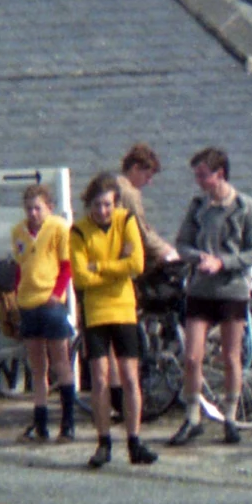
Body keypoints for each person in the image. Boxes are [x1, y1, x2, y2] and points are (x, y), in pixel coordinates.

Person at [171, 147, 252, 443]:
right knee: (192, 356)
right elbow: (182, 243)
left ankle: (230, 416)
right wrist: (198, 257)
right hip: (200, 289)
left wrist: (223, 262)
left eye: (203, 175)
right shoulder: (198, 205)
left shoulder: (245, 207)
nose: (198, 181)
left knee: (230, 355)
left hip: (231, 290)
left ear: (219, 174)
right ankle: (192, 416)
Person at [67, 171, 158, 469]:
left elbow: (137, 264)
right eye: (97, 205)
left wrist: (101, 266)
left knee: (130, 377)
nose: (102, 211)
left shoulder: (126, 221)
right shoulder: (79, 231)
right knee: (101, 378)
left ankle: (135, 440)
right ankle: (103, 440)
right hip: (96, 312)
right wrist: (116, 265)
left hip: (123, 308)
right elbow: (81, 277)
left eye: (107, 205)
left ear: (115, 203)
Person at [8, 182, 78, 444]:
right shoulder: (18, 231)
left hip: (50, 302)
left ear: (48, 208)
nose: (33, 213)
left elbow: (66, 266)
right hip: (28, 301)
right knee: (37, 366)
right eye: (29, 209)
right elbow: (19, 266)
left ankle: (68, 422)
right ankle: (40, 421)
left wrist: (56, 294)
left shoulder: (59, 228)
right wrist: (16, 295)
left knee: (60, 361)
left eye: (38, 208)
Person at [119, 144, 181, 274]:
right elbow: (141, 232)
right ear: (135, 168)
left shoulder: (109, 186)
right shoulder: (129, 193)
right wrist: (167, 251)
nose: (149, 182)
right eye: (147, 176)